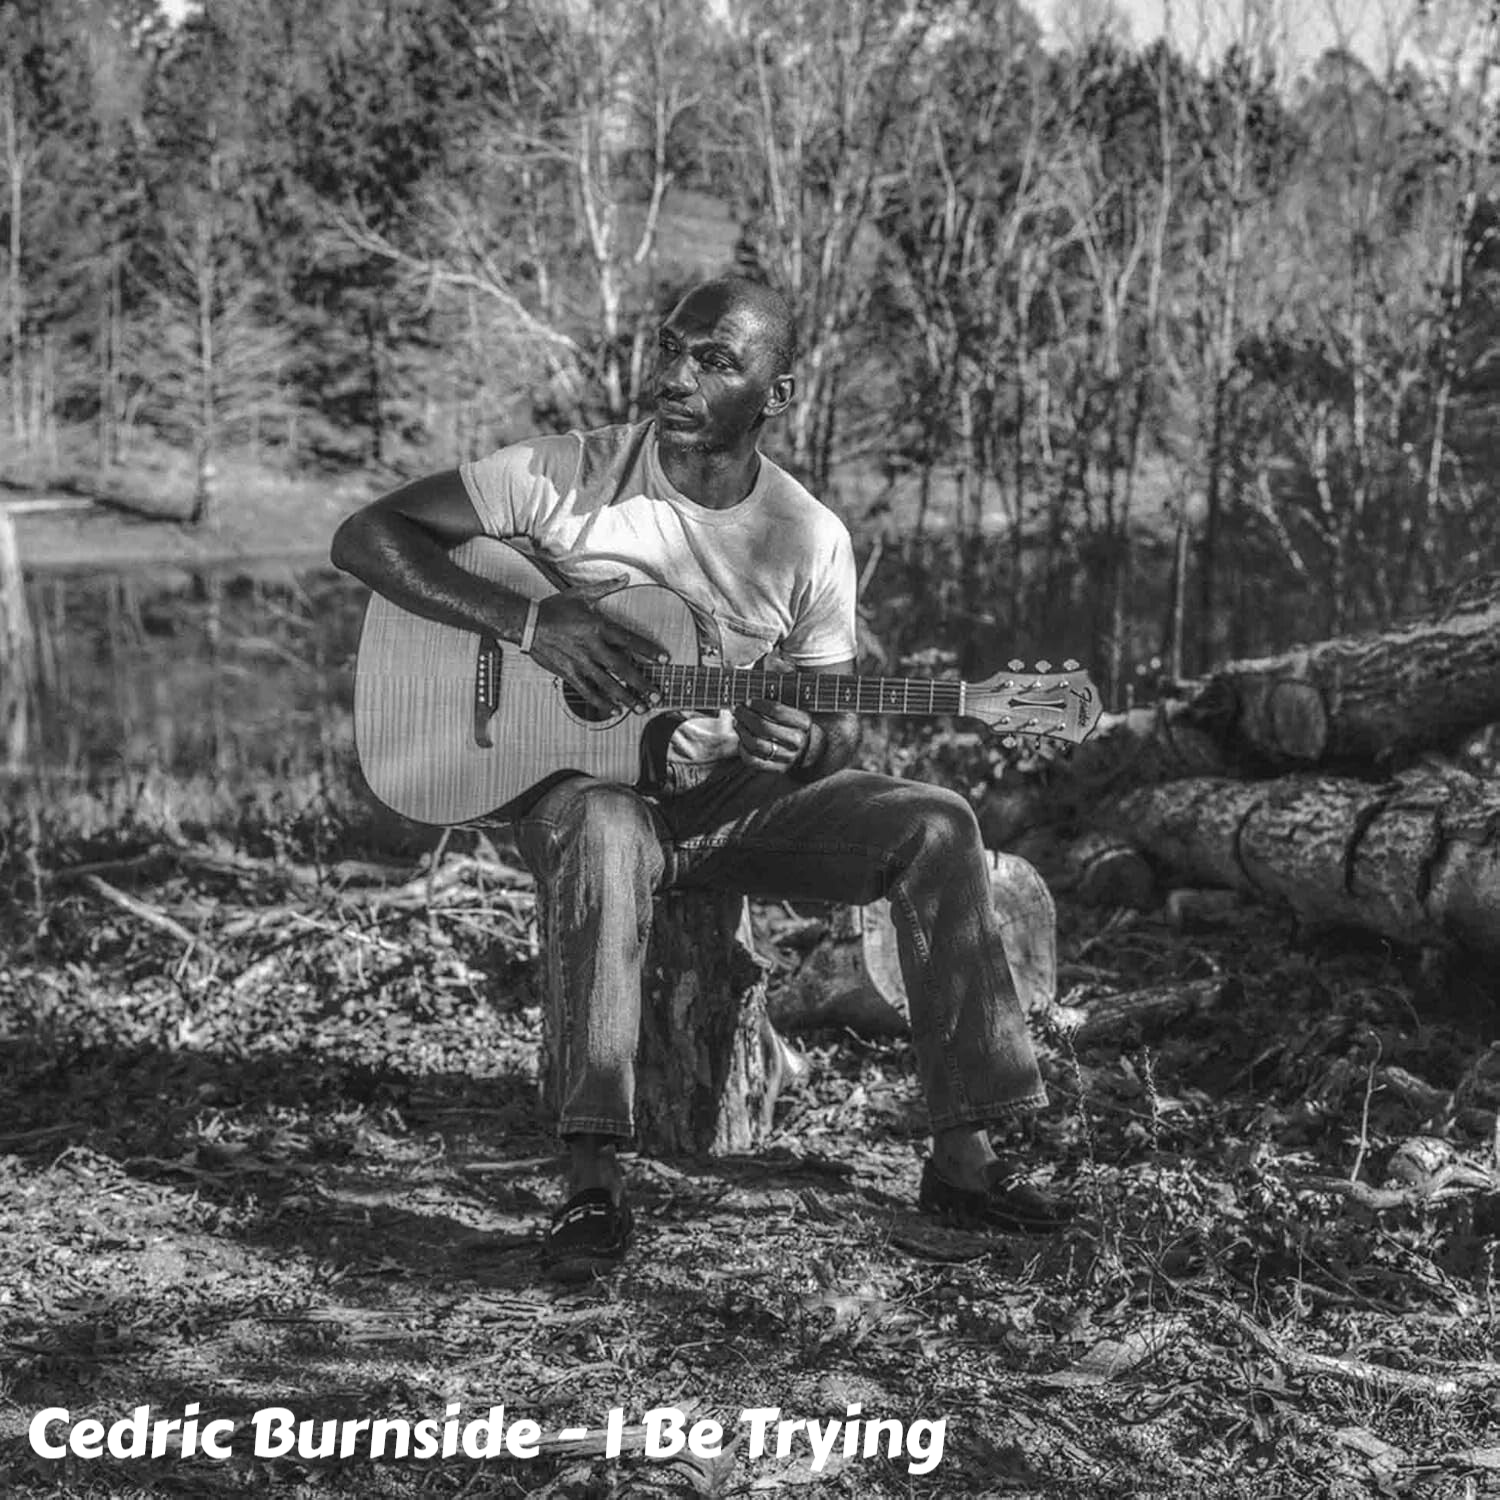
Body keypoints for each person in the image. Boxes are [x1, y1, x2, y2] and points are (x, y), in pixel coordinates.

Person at [330, 276, 1071, 1282]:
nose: (675, 376)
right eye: (672, 347)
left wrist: (795, 748)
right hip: (586, 797)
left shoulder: (809, 541)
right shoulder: (562, 477)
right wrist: (532, 623)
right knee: (602, 828)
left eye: (715, 359)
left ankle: (965, 1161)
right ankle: (592, 1180)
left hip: (728, 812)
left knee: (937, 821)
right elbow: (367, 537)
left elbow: (832, 734)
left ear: (779, 393)